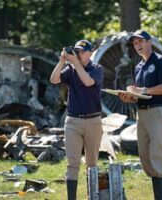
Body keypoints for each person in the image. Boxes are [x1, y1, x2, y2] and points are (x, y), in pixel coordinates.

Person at [119, 30, 162, 199]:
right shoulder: (138, 67)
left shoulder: (160, 61)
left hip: (156, 112)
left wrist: (142, 90)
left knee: (157, 153)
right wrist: (130, 97)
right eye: (135, 43)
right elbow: (141, 95)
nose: (138, 45)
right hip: (140, 115)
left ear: (149, 42)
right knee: (144, 156)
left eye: (140, 41)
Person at [50, 39, 103, 200]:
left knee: (92, 163)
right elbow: (54, 80)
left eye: (82, 51)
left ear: (90, 53)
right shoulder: (70, 69)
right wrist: (62, 61)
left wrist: (74, 63)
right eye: (77, 51)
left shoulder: (97, 68)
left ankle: (91, 196)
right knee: (72, 163)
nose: (78, 54)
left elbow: (88, 82)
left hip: (93, 121)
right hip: (73, 122)